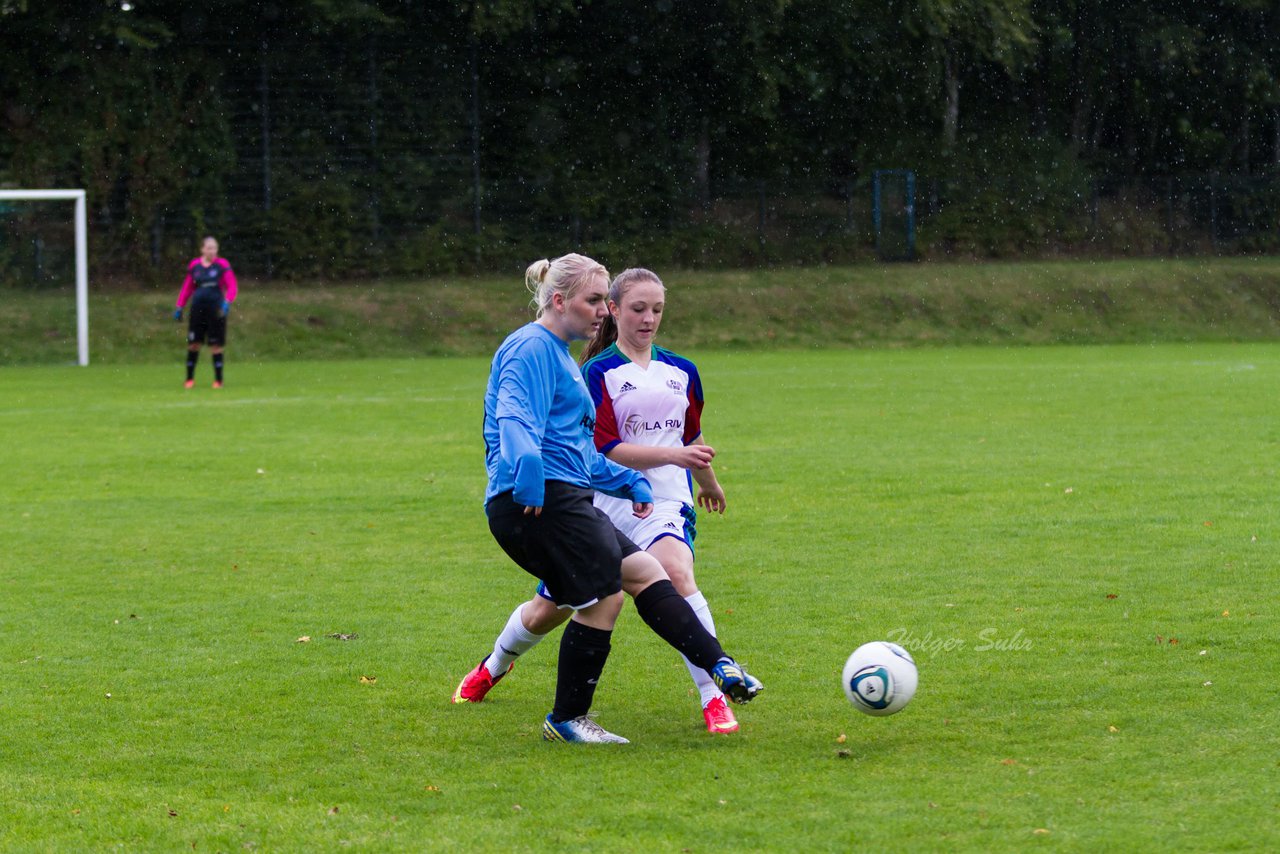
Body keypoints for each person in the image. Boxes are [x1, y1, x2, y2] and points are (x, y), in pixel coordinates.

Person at [456, 265, 758, 737]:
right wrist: (529, 476)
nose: (602, 312)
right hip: (539, 501)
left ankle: (719, 670)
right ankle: (567, 717)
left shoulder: (560, 357)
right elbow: (514, 418)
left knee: (647, 573)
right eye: (595, 301)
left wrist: (627, 481)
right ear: (559, 300)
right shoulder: (531, 347)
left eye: (603, 301)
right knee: (605, 598)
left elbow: (580, 452)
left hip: (568, 498)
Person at [174, 235, 237, 389]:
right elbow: (187, 287)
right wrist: (180, 306)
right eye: (209, 248)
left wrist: (227, 302)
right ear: (202, 249)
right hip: (197, 310)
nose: (212, 251)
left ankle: (218, 381)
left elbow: (232, 286)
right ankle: (189, 380)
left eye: (214, 248)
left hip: (216, 311)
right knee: (194, 344)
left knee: (216, 345)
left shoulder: (222, 265)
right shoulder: (195, 265)